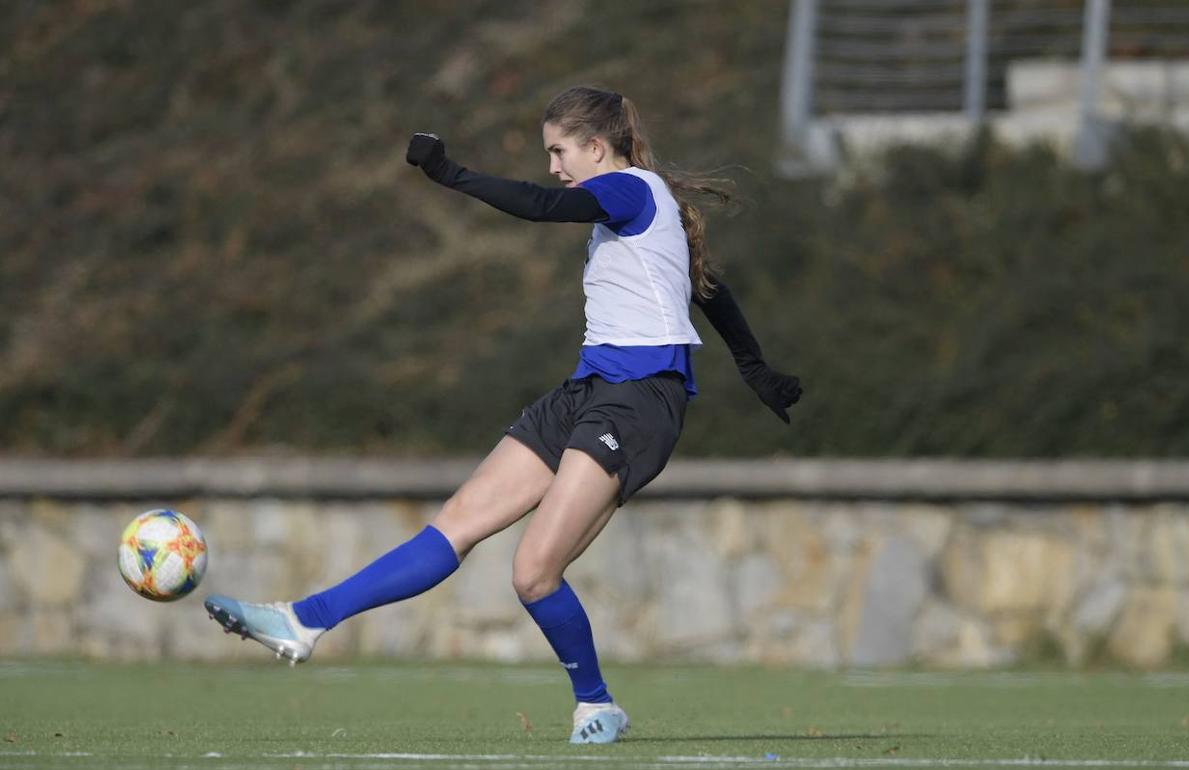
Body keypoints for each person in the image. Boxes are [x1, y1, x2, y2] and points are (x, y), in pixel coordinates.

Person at [203, 86, 801, 745]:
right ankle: (304, 621)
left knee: (532, 572)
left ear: (596, 148)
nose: (553, 165)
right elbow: (708, 287)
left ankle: (596, 705)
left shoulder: (631, 190)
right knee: (454, 526)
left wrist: (450, 175)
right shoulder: (635, 206)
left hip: (639, 403)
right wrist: (753, 366)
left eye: (559, 150)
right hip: (587, 390)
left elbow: (545, 207)